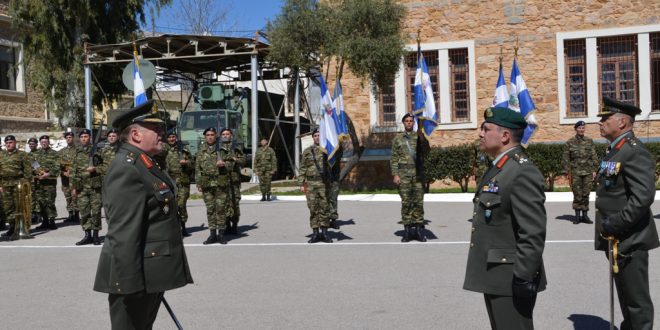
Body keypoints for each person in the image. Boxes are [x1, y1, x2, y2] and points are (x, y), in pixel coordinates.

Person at [93, 100, 193, 330]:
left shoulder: (144, 163)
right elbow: (123, 233)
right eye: (156, 129)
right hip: (133, 279)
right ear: (136, 134)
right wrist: (130, 283)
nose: (162, 133)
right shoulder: (127, 168)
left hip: (149, 273)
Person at [463, 107, 547, 330]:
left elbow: (532, 231)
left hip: (511, 276)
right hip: (497, 275)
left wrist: (523, 276)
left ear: (505, 136)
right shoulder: (500, 167)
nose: (480, 133)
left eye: (486, 129)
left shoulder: (521, 172)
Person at [594, 97, 658, 330]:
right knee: (625, 296)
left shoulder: (633, 152)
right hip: (617, 239)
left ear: (622, 122)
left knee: (636, 301)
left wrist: (615, 224)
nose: (600, 122)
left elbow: (642, 197)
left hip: (630, 238)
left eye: (605, 118)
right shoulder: (615, 151)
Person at [390, 113, 430, 242]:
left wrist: (422, 138)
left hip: (418, 175)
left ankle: (418, 230)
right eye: (406, 121)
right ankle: (407, 231)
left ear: (414, 123)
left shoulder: (419, 136)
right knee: (406, 203)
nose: (409, 123)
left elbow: (427, 152)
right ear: (403, 123)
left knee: (418, 203)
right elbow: (394, 158)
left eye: (411, 121)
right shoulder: (398, 139)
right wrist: (395, 174)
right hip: (404, 175)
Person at [298, 128, 332, 243]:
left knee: (324, 207)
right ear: (313, 137)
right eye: (315, 135)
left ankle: (325, 233)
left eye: (319, 135)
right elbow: (303, 167)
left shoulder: (327, 150)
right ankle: (315, 233)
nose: (317, 137)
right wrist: (302, 183)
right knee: (313, 208)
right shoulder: (307, 151)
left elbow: (333, 164)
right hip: (311, 183)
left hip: (323, 183)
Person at [195, 127, 227, 244]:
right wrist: (198, 182)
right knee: (210, 210)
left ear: (216, 136)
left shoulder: (223, 149)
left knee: (221, 209)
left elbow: (232, 164)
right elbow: (198, 167)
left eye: (212, 134)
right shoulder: (201, 149)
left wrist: (223, 164)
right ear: (205, 136)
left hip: (220, 182)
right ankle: (212, 235)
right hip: (206, 183)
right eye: (207, 135)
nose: (210, 137)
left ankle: (222, 235)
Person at [562, 120, 598, 224]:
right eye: (579, 128)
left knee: (586, 194)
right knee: (577, 194)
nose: (582, 130)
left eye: (583, 128)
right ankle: (577, 216)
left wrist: (594, 170)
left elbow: (593, 156)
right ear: (576, 129)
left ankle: (585, 216)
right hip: (575, 172)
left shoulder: (589, 141)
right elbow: (565, 158)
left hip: (587, 172)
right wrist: (567, 172)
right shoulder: (570, 142)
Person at [72, 129, 103, 245]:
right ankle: (87, 235)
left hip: (95, 187)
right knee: (84, 212)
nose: (84, 138)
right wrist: (73, 188)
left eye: (86, 136)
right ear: (79, 139)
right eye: (82, 137)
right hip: (81, 187)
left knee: (95, 212)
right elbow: (73, 171)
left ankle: (95, 235)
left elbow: (105, 166)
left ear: (90, 138)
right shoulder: (76, 152)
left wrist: (95, 169)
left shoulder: (97, 151)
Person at [0, 135, 33, 238]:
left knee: (19, 206)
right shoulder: (1, 155)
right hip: (5, 184)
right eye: (7, 143)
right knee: (8, 207)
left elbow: (28, 171)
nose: (8, 144)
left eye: (11, 142)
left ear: (15, 143)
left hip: (18, 184)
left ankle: (22, 227)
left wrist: (25, 184)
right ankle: (12, 227)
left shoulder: (22, 155)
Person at [164, 131, 195, 237]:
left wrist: (186, 163)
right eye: (169, 137)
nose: (172, 139)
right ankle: (172, 228)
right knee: (170, 206)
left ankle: (183, 226)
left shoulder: (184, 150)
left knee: (181, 204)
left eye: (173, 137)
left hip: (182, 181)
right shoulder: (163, 150)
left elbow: (193, 164)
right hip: (168, 181)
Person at [218, 128, 244, 235]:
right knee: (224, 204)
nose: (225, 135)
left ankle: (235, 225)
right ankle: (227, 225)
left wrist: (236, 159)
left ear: (231, 135)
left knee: (235, 203)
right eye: (223, 134)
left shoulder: (236, 148)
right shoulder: (217, 149)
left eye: (227, 134)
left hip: (234, 181)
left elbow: (243, 160)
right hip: (222, 181)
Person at [33, 135, 60, 230]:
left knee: (50, 202)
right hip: (39, 183)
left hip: (50, 183)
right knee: (41, 202)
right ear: (40, 143)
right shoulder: (36, 154)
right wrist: (38, 173)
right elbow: (34, 165)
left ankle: (52, 221)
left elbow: (57, 167)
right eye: (42, 141)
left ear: (49, 142)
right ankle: (44, 221)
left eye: (46, 141)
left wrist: (47, 174)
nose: (44, 143)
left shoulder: (54, 154)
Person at [59, 131, 79, 223]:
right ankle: (70, 214)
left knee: (75, 196)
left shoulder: (78, 150)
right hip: (65, 179)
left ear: (73, 138)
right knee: (68, 197)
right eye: (67, 138)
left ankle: (77, 215)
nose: (69, 139)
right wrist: (63, 172)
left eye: (70, 137)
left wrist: (72, 171)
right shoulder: (61, 152)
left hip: (75, 178)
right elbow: (57, 165)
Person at [254, 137, 277, 202]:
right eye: (261, 141)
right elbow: (255, 160)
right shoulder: (258, 150)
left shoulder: (270, 150)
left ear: (266, 142)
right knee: (261, 183)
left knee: (268, 183)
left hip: (268, 170)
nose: (263, 142)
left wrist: (273, 170)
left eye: (264, 141)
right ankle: (263, 196)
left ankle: (268, 196)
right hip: (260, 170)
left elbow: (274, 160)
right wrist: (255, 170)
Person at [27, 137, 40, 225]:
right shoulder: (27, 155)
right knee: (32, 197)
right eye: (30, 144)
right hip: (30, 179)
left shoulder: (39, 154)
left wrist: (36, 171)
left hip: (38, 178)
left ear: (36, 144)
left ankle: (38, 215)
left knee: (38, 197)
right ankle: (33, 214)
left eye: (33, 144)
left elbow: (38, 166)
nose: (31, 145)